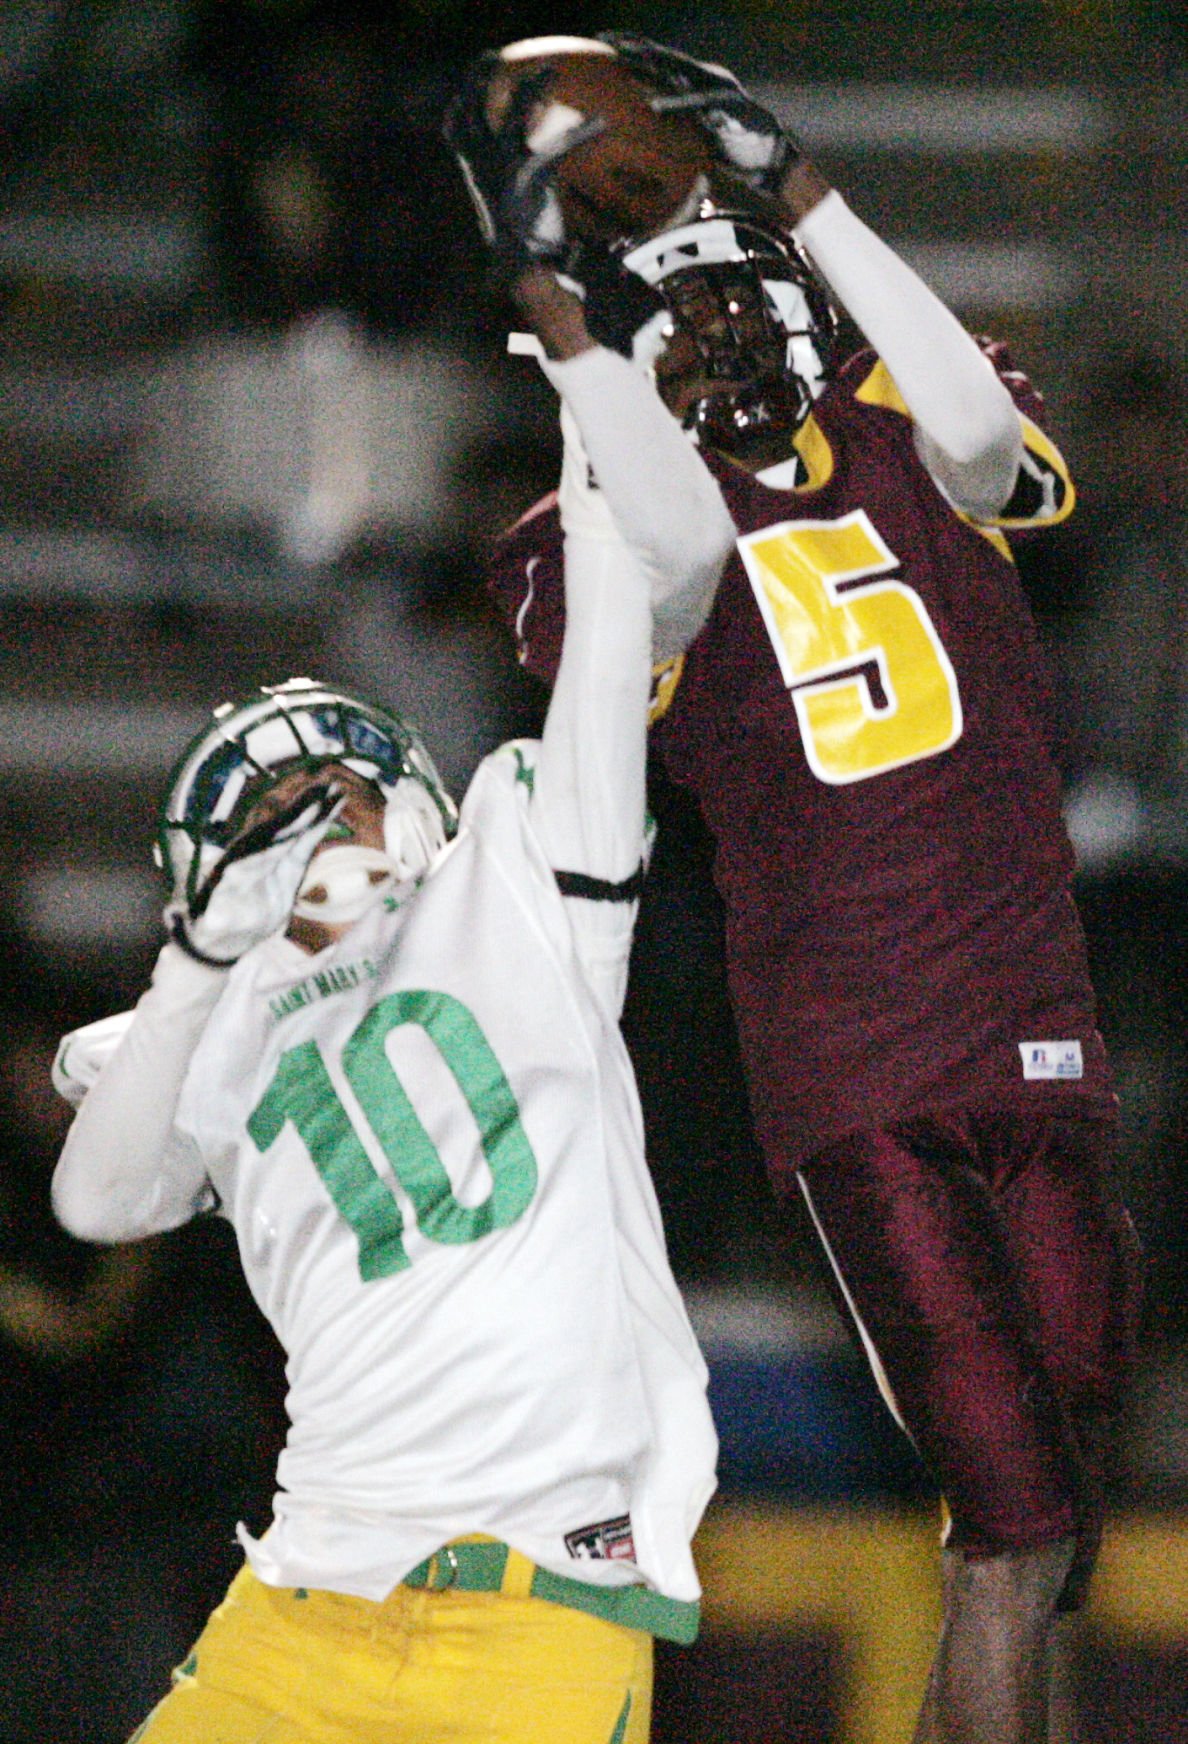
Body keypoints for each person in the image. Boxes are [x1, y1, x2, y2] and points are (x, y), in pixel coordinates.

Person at [456, 33, 1143, 1744]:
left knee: (1050, 1544)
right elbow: (682, 553)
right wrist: (565, 328)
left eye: (745, 292)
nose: (727, 328)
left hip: (1039, 1033)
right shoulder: (592, 532)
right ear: (611, 353)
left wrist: (807, 193)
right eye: (675, 317)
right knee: (1011, 1540)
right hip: (868, 1079)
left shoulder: (903, 416)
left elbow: (983, 428)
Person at [49, 109, 736, 1744]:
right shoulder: (205, 1007)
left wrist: (585, 365)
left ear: (407, 801)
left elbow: (620, 613)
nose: (312, 844)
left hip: (536, 1605)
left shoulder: (521, 884)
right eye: (267, 829)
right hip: (302, 1598)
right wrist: (208, 961)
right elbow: (102, 1199)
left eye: (330, 801)